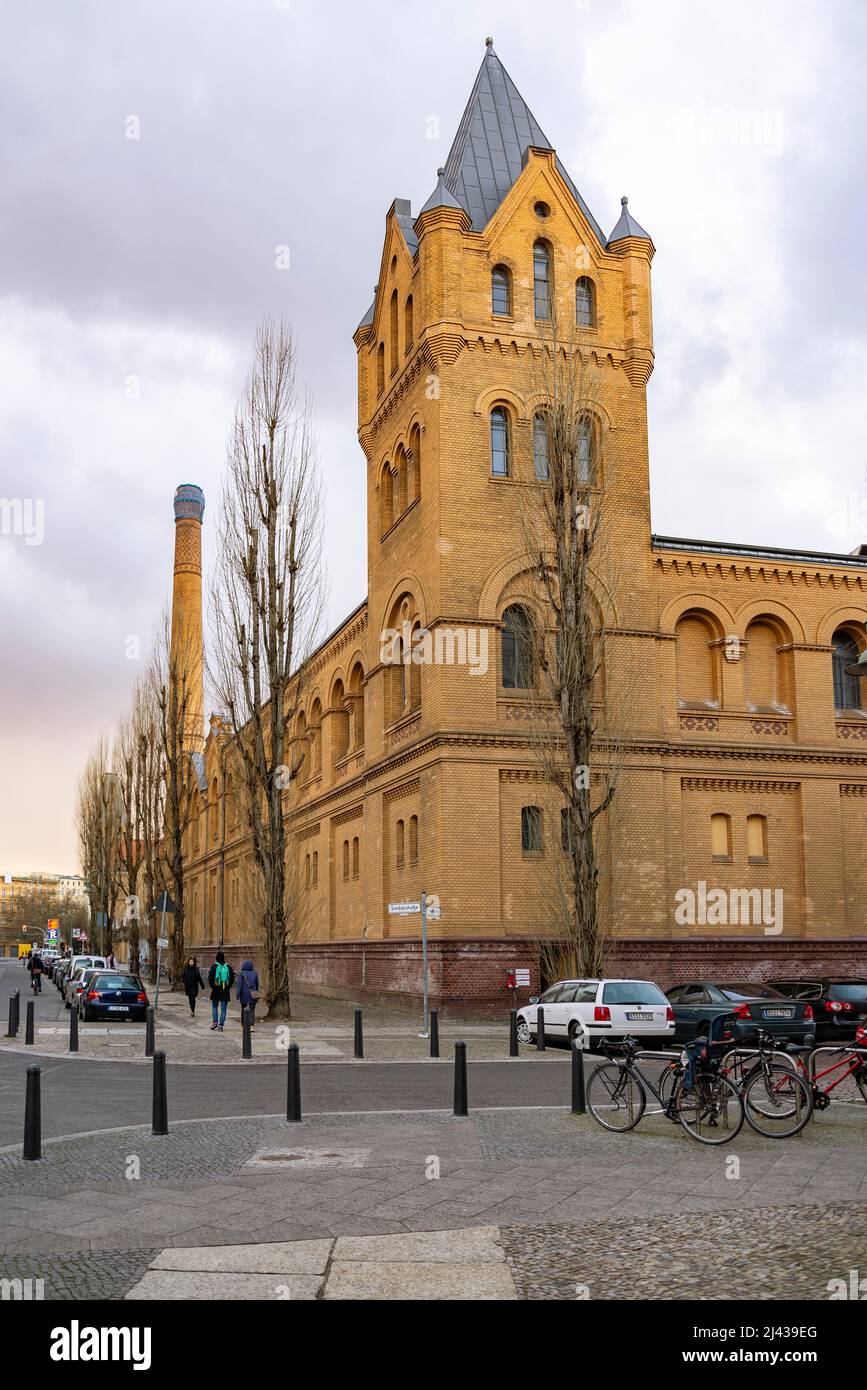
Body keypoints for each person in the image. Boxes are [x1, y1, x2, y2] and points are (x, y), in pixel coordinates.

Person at [207, 951, 235, 1032]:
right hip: (225, 991)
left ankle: (215, 1022)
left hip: (215, 990)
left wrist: (213, 987)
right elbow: (232, 979)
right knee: (223, 1009)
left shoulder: (214, 966)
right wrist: (227, 987)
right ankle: (221, 1025)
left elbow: (210, 978)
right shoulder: (228, 967)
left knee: (214, 1006)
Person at [236, 959, 260, 1030]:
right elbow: (257, 984)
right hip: (253, 994)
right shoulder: (255, 973)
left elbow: (239, 985)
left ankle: (243, 1025)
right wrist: (256, 992)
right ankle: (251, 1026)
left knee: (243, 1009)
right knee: (252, 1010)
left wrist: (237, 994)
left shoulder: (242, 974)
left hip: (244, 994)